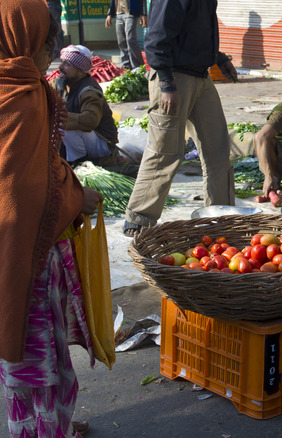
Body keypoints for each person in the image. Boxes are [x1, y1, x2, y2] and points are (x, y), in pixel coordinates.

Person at [0, 1, 103, 436]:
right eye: (45, 40)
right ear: (21, 41)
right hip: (24, 254)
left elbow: (37, 168)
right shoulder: (20, 97)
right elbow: (23, 189)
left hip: (27, 248)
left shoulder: (26, 88)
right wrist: (78, 196)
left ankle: (53, 424)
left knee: (44, 354)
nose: (51, 50)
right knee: (35, 357)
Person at [124, 0, 238, 236]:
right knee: (165, 150)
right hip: (173, 78)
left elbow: (195, 32)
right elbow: (156, 38)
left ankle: (221, 214)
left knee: (217, 147)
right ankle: (139, 218)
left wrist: (219, 57)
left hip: (200, 77)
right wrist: (165, 83)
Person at [52, 45, 119, 166]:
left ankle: (77, 162)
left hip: (103, 144)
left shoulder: (89, 91)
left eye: (66, 64)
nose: (60, 67)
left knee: (63, 123)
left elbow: (90, 120)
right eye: (62, 62)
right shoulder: (65, 83)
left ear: (80, 70)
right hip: (87, 139)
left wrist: (58, 116)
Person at [105, 0, 148, 70]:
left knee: (130, 39)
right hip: (119, 14)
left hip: (131, 13)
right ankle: (125, 66)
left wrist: (143, 14)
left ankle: (138, 67)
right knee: (121, 41)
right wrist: (109, 14)